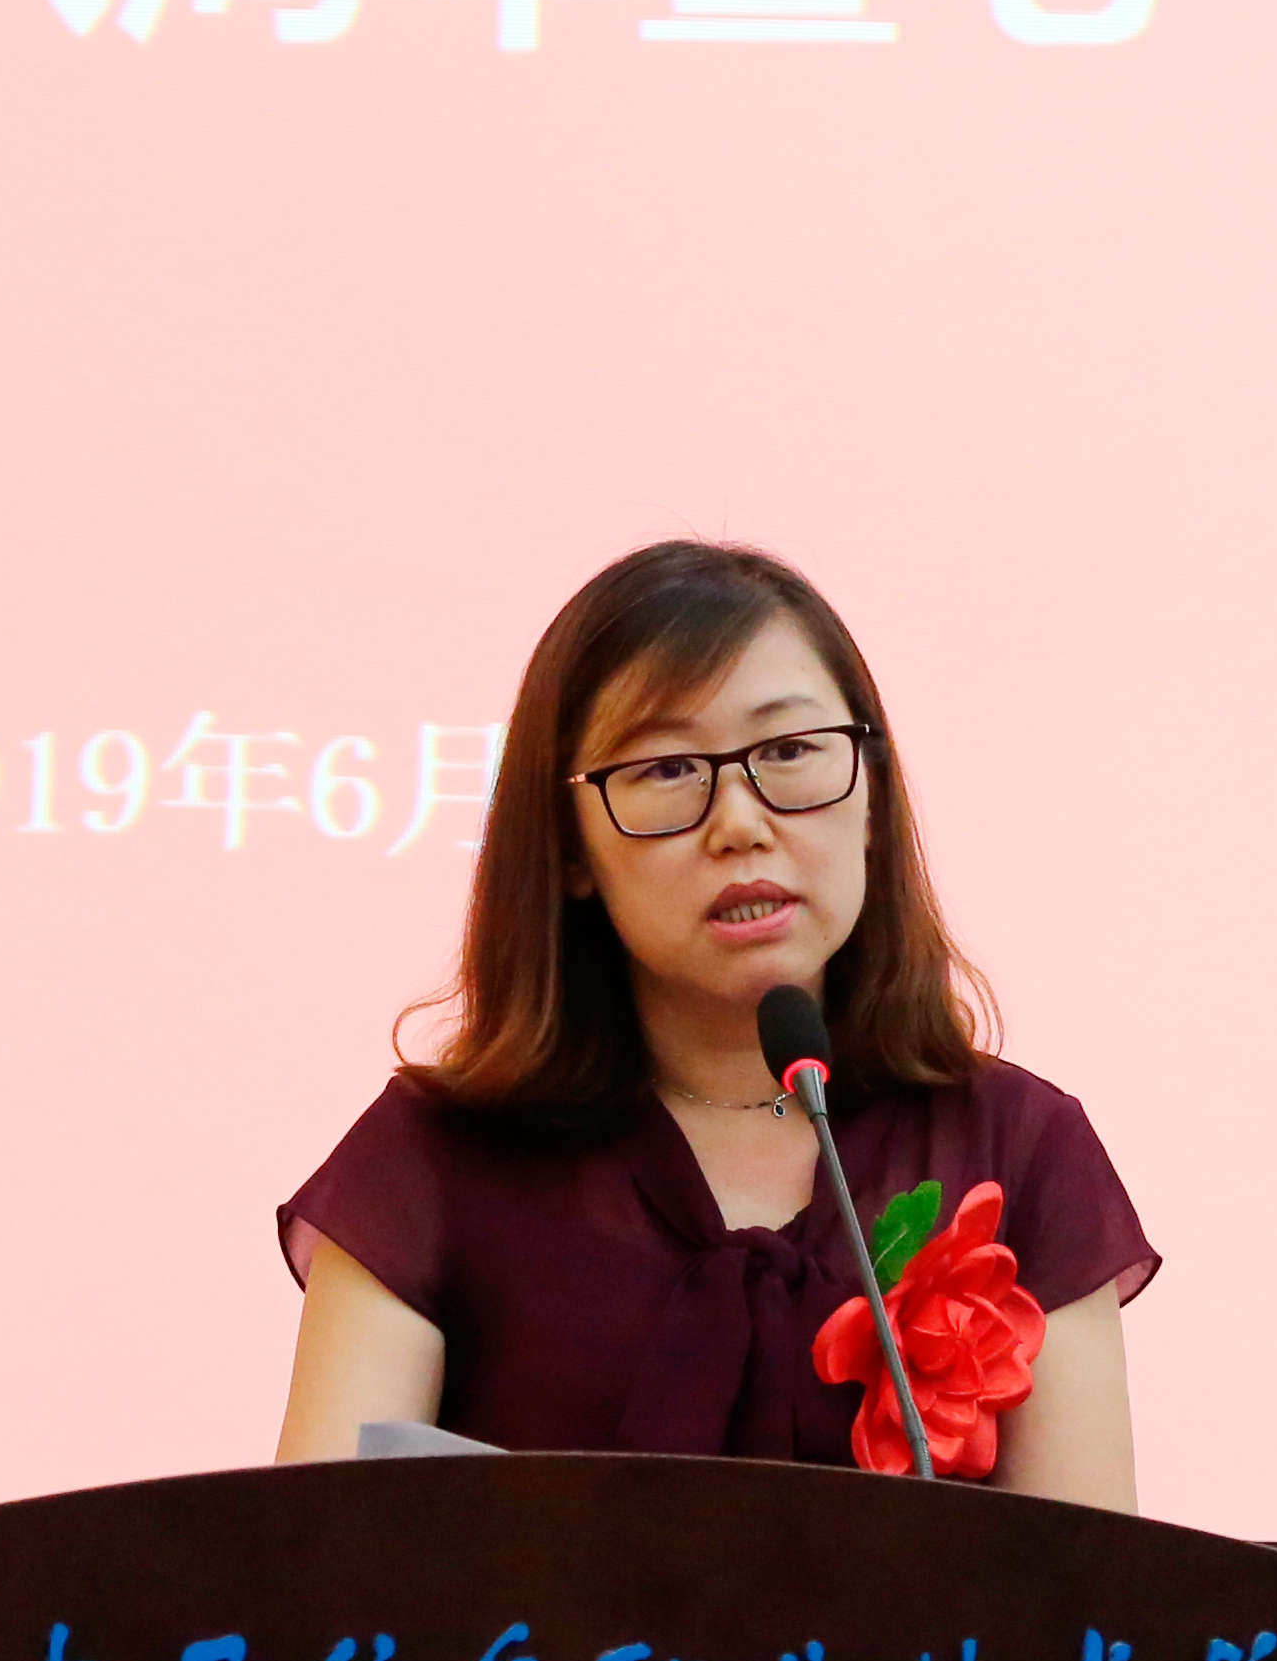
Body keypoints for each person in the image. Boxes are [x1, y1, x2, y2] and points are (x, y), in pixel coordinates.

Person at [274, 542, 1150, 1507]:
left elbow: (1090, 1588)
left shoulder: (1021, 1150)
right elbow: (321, 1575)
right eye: (667, 769)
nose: (739, 823)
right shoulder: (428, 1165)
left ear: (871, 796)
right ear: (571, 849)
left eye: (790, 752)